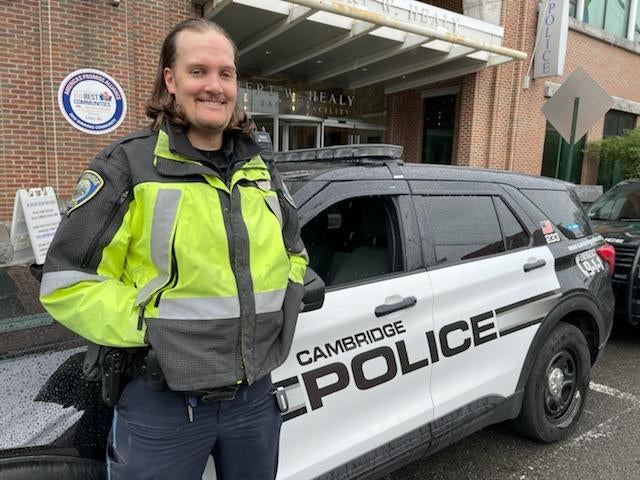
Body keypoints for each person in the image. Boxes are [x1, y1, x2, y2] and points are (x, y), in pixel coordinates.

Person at [40, 18, 307, 480]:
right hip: (163, 405)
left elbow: (296, 254)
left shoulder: (260, 168)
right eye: (198, 71)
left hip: (254, 400)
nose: (215, 86)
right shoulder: (128, 166)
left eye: (226, 74)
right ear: (171, 80)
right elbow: (65, 280)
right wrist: (153, 330)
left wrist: (287, 307)